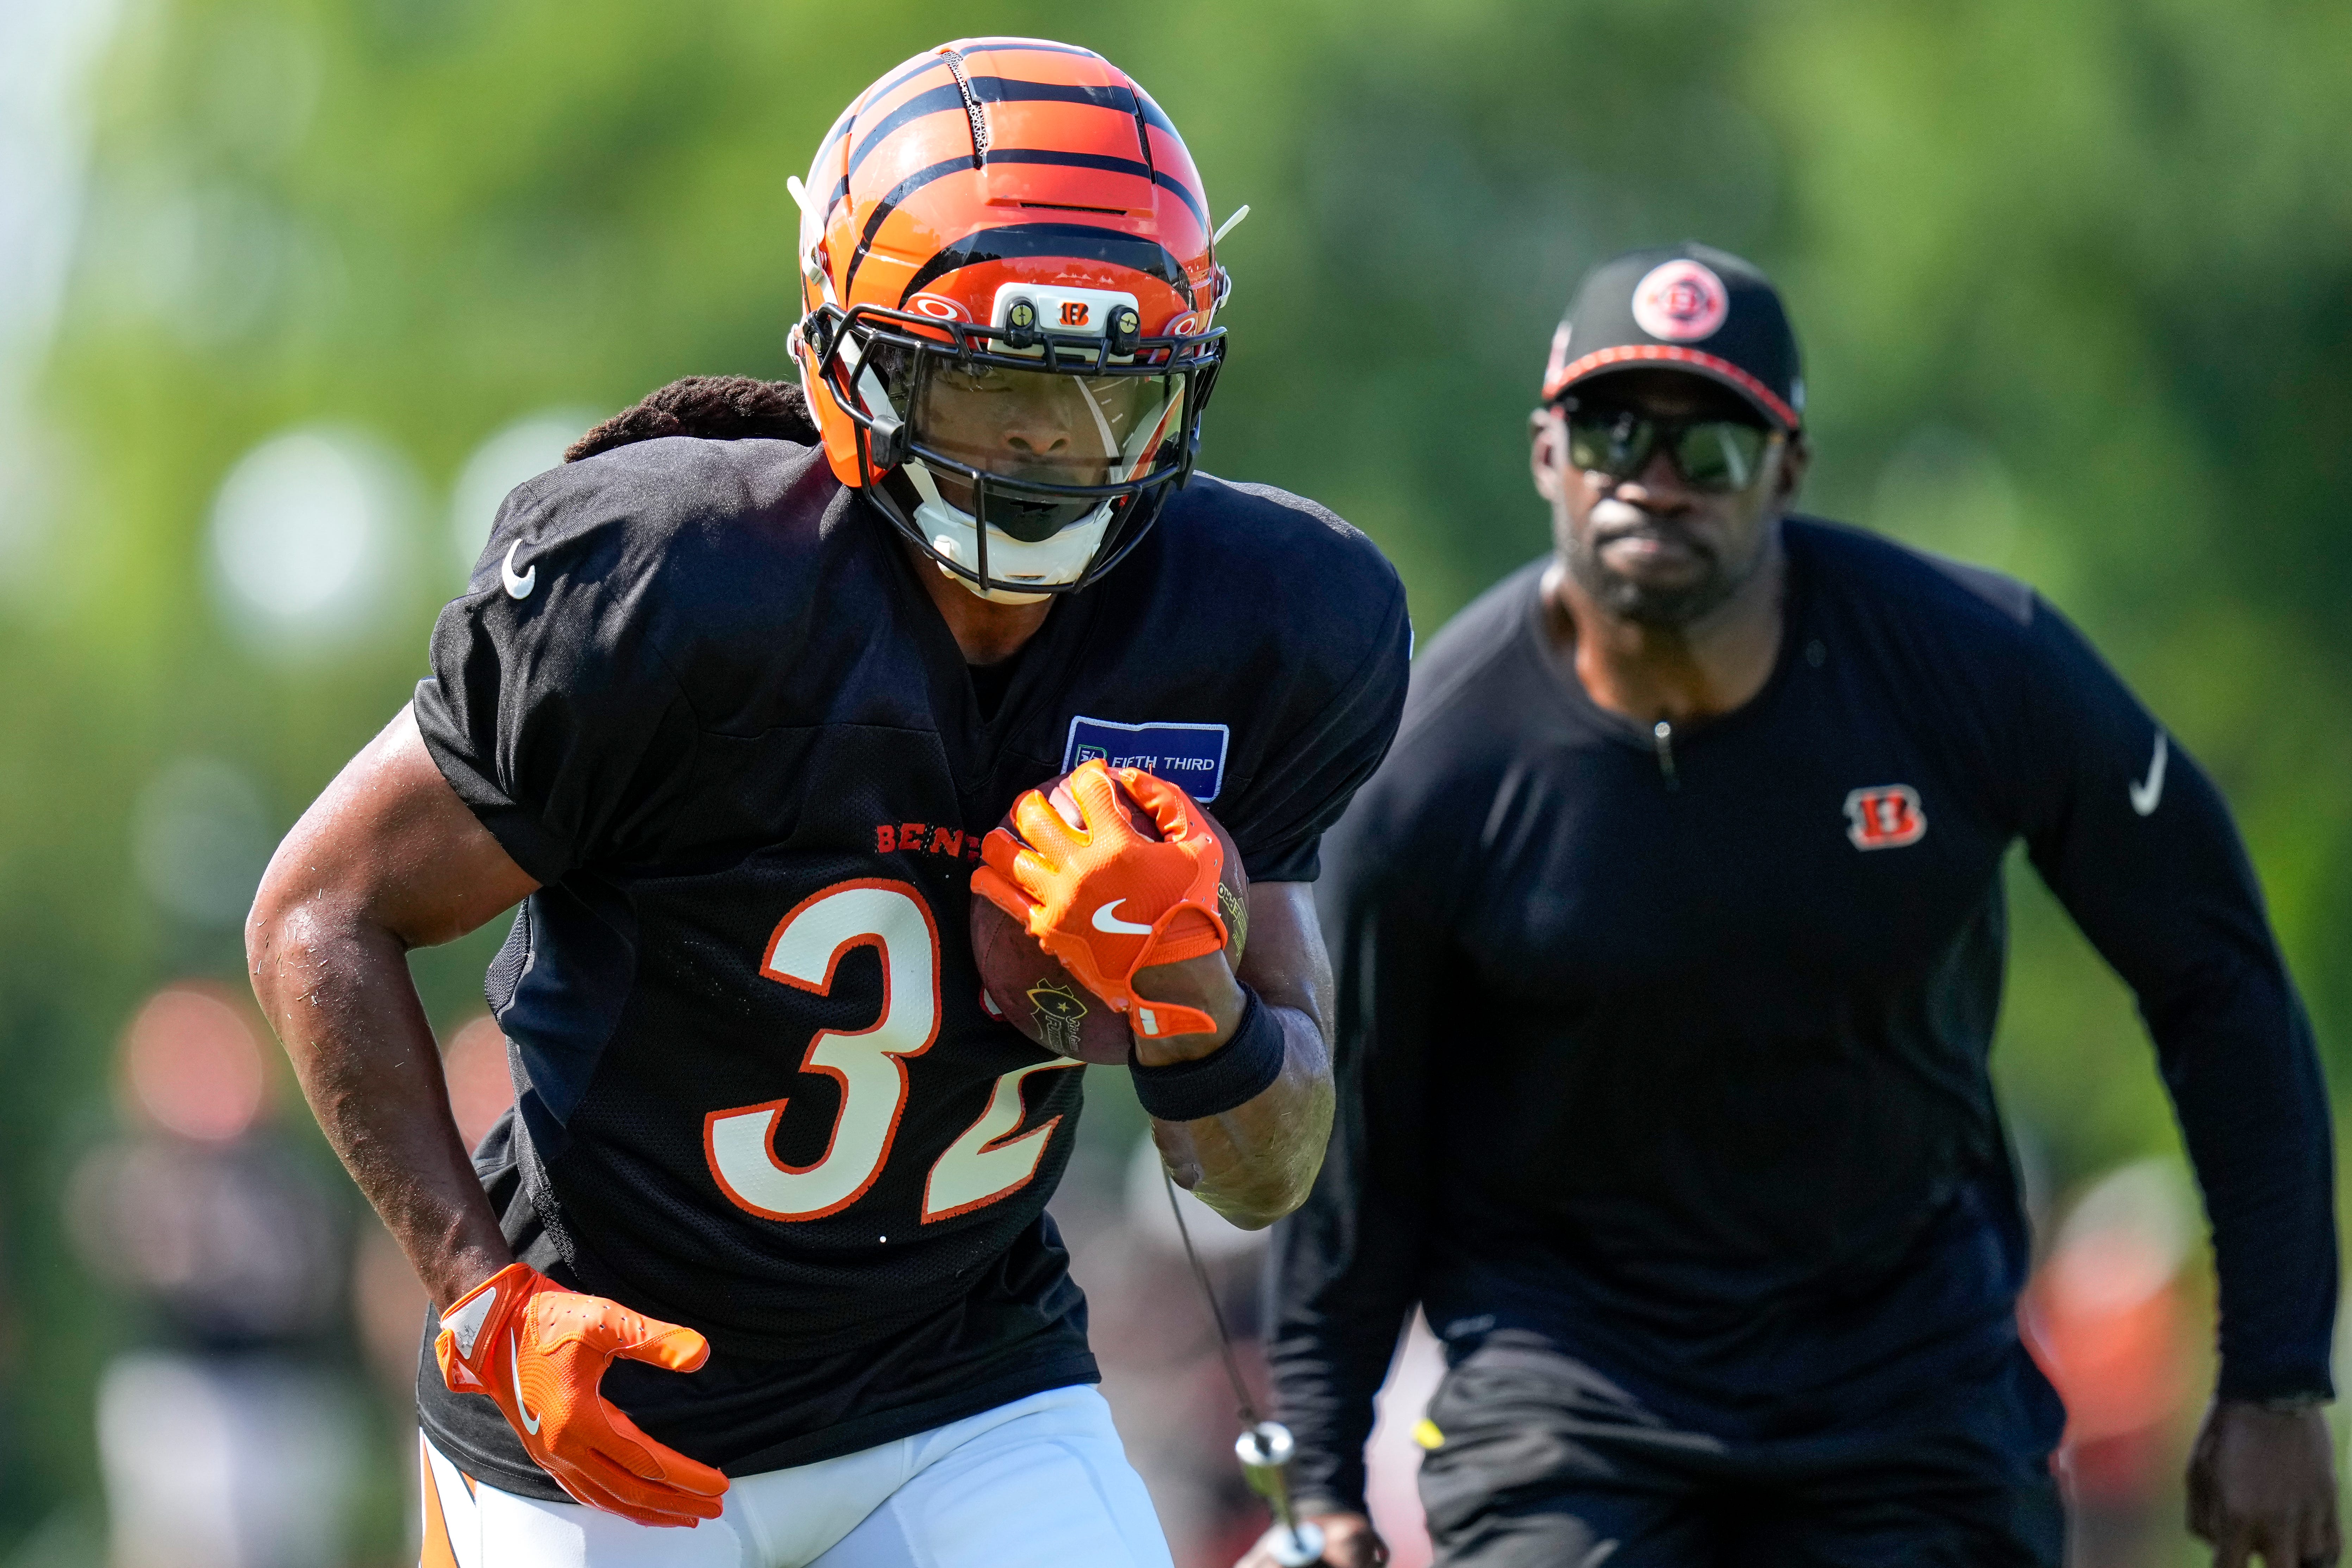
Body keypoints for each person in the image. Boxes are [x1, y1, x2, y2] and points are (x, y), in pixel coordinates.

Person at [244, 38, 1409, 1568]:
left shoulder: (1261, 620)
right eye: (995, 386)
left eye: (1100, 394)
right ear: (844, 359)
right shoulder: (678, 584)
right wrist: (478, 1300)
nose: (1048, 457)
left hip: (965, 1379)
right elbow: (317, 910)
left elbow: (1268, 1170)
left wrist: (1197, 1003)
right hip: (610, 1393)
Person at [1253, 243, 2337, 1568]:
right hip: (1570, 1393)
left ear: (1789, 469)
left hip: (1909, 1379)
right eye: (1610, 431)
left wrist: (2276, 1377)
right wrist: (1320, 1479)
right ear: (1547, 453)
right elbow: (1359, 1148)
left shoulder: (1975, 667)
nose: (1652, 477)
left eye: (1709, 445)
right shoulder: (1432, 763)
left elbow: (2215, 978)